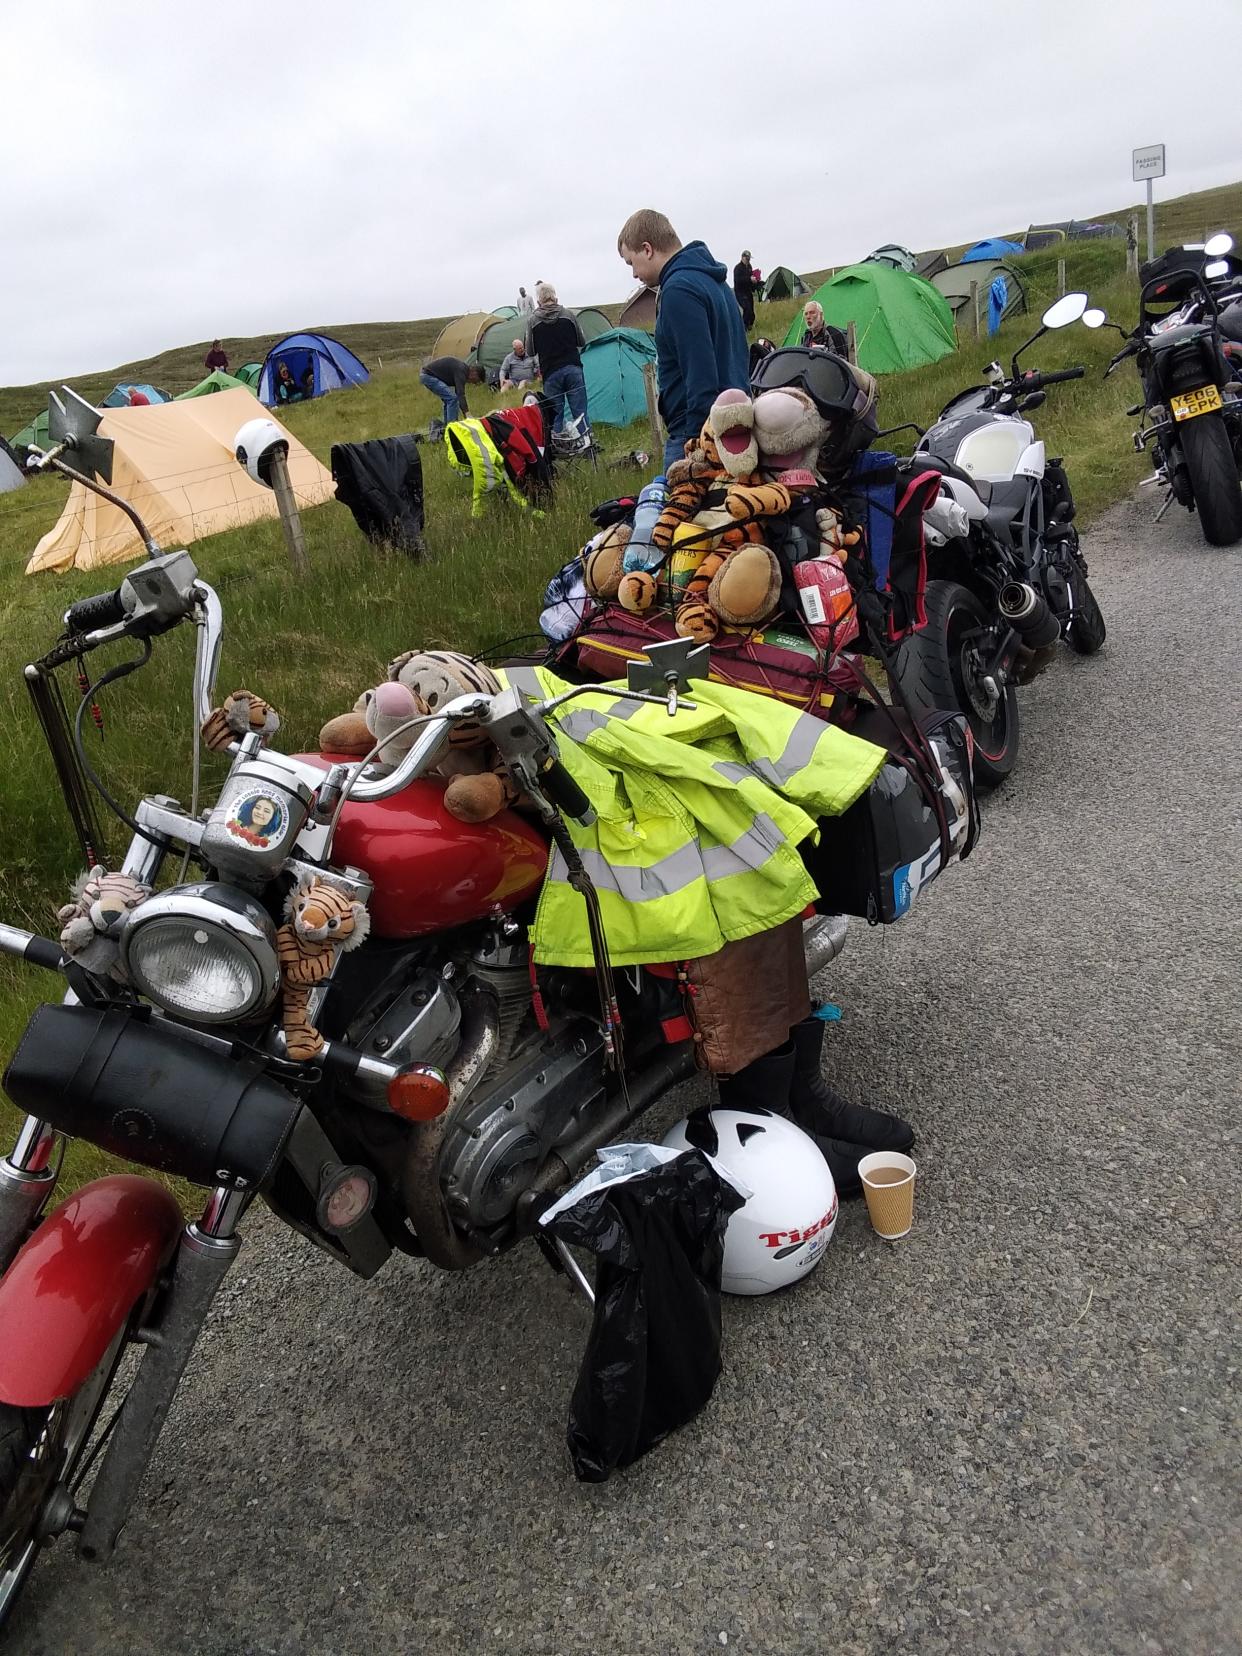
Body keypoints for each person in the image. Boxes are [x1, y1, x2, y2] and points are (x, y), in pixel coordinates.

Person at [617, 208, 749, 471]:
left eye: (631, 262)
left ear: (647, 249)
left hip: (700, 435)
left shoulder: (679, 290)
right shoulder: (715, 282)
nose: (633, 274)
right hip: (733, 425)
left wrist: (694, 449)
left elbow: (700, 374)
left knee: (683, 510)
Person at [525, 282, 588, 439]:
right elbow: (582, 341)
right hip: (573, 368)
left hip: (550, 372)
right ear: (555, 297)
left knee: (555, 415)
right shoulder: (568, 315)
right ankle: (588, 446)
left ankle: (558, 448)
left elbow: (530, 351)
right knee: (580, 412)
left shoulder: (532, 321)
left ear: (539, 301)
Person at [419, 355, 482, 427]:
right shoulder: (462, 370)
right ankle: (452, 428)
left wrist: (465, 413)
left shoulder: (462, 370)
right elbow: (460, 394)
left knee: (449, 399)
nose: (474, 383)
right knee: (452, 399)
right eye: (477, 380)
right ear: (474, 373)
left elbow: (459, 393)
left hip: (427, 375)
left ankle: (446, 427)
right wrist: (467, 413)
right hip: (428, 376)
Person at [733, 250, 757, 331]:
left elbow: (750, 279)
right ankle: (743, 328)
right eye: (747, 259)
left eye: (749, 259)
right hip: (740, 292)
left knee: (752, 313)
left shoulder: (749, 267)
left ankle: (749, 327)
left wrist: (754, 282)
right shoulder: (737, 268)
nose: (748, 260)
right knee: (747, 309)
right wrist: (749, 279)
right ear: (742, 258)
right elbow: (738, 280)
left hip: (748, 291)